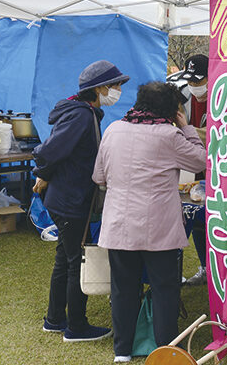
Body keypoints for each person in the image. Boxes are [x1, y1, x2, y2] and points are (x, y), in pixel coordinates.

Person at [93, 82, 206, 363]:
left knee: (123, 288)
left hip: (119, 224)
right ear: (172, 110)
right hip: (160, 227)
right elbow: (202, 161)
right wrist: (187, 128)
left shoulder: (113, 130)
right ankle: (166, 350)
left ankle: (122, 351)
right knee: (164, 289)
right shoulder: (169, 135)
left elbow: (98, 177)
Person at [33, 60, 129, 342]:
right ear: (99, 88)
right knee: (76, 261)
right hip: (70, 200)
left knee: (65, 258)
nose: (117, 91)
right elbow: (51, 151)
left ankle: (54, 319)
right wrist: (43, 172)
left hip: (67, 197)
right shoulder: (81, 116)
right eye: (115, 86)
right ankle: (76, 327)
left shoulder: (86, 111)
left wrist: (46, 173)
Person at [178, 54, 209, 286]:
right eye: (190, 82)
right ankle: (204, 267)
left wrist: (185, 129)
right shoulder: (186, 98)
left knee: (223, 220)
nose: (194, 86)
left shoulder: (223, 99)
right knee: (196, 218)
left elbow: (215, 134)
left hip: (219, 170)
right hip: (194, 170)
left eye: (198, 82)